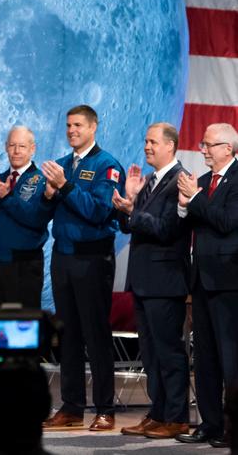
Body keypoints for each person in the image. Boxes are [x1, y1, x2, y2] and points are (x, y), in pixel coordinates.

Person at [40, 105, 124, 431]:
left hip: (92, 259)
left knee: (96, 334)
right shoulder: (61, 165)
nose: (72, 130)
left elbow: (100, 212)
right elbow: (47, 212)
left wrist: (64, 187)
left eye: (78, 125)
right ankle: (71, 407)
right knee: (69, 335)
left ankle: (105, 408)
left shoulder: (107, 166)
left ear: (93, 127)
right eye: (68, 125)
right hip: (62, 258)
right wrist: (47, 196)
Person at [111, 123, 190, 438]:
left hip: (165, 280)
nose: (146, 146)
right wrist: (127, 206)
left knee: (169, 352)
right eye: (145, 141)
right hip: (143, 281)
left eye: (152, 142)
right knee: (151, 353)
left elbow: (168, 229)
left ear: (170, 146)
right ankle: (157, 413)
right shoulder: (151, 181)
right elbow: (131, 226)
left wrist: (134, 211)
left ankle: (177, 417)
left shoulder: (179, 181)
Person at [174, 123, 238, 449]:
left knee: (231, 361)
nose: (203, 149)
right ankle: (209, 425)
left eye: (209, 144)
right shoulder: (200, 182)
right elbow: (191, 221)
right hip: (200, 281)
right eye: (202, 144)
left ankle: (232, 427)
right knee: (207, 360)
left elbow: (227, 222)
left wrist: (195, 198)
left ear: (228, 148)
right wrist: (185, 204)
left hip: (229, 283)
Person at [0, 126, 49, 310]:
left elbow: (35, 218)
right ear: (6, 147)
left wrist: (7, 197)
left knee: (21, 330)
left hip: (24, 265)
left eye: (21, 146)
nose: (16, 150)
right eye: (12, 145)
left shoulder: (42, 180)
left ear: (32, 148)